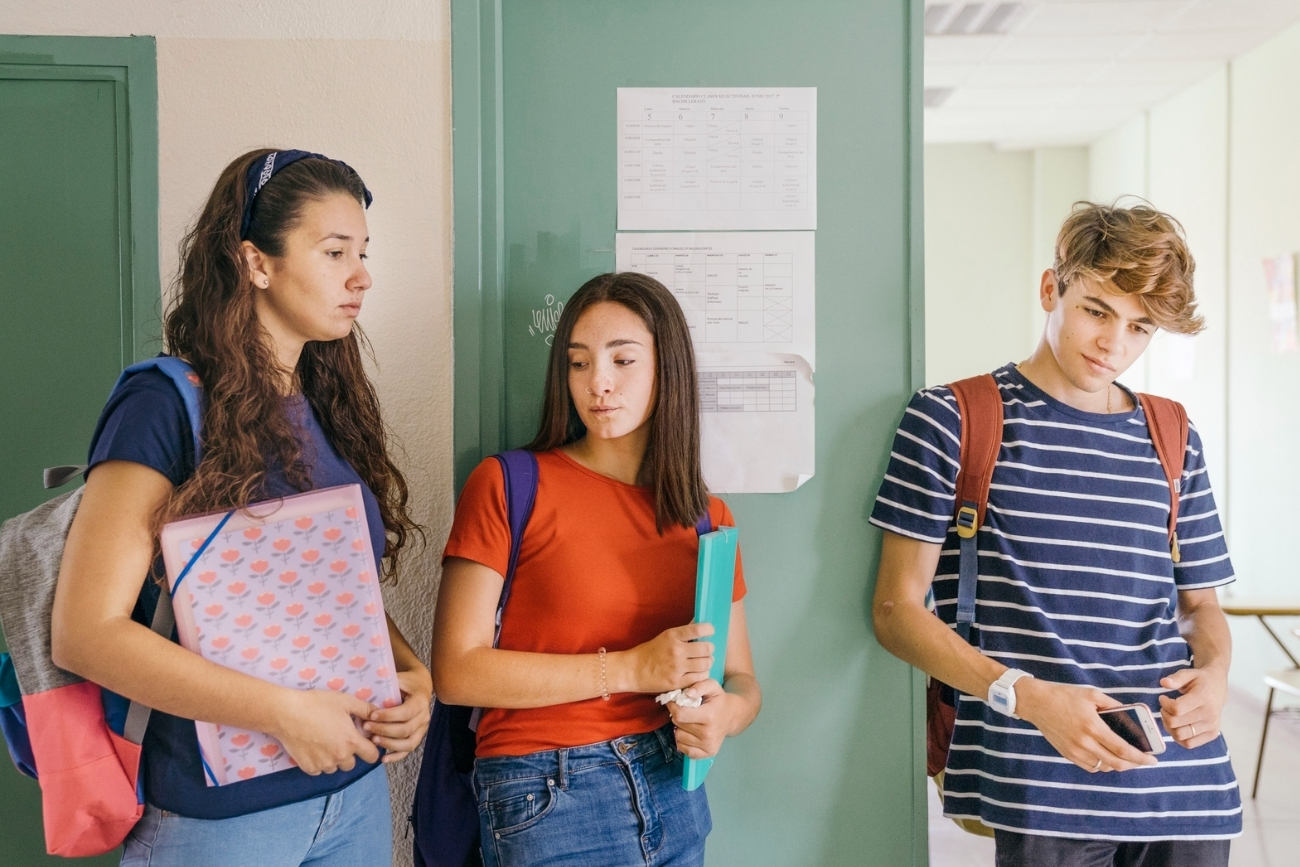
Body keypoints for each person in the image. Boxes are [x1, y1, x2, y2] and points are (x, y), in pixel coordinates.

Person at [50, 149, 432, 866]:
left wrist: (411, 674)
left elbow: (327, 584)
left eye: (363, 253)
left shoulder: (327, 404)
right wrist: (284, 713)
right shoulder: (162, 404)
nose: (361, 276)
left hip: (351, 797)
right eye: (335, 252)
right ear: (256, 263)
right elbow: (86, 634)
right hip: (220, 820)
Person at [871, 202, 1241, 866]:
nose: (1113, 344)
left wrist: (1214, 676)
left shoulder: (1173, 433)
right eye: (1097, 311)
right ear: (1051, 289)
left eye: (1139, 327)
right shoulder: (952, 418)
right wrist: (1027, 696)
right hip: (1043, 776)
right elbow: (896, 610)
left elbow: (1200, 606)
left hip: (1185, 778)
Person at [432, 271, 762, 867]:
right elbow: (456, 672)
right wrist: (634, 668)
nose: (598, 383)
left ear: (668, 370)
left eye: (622, 360)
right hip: (546, 791)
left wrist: (726, 716)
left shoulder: (706, 517)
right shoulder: (509, 484)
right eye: (578, 363)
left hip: (674, 786)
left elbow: (741, 677)